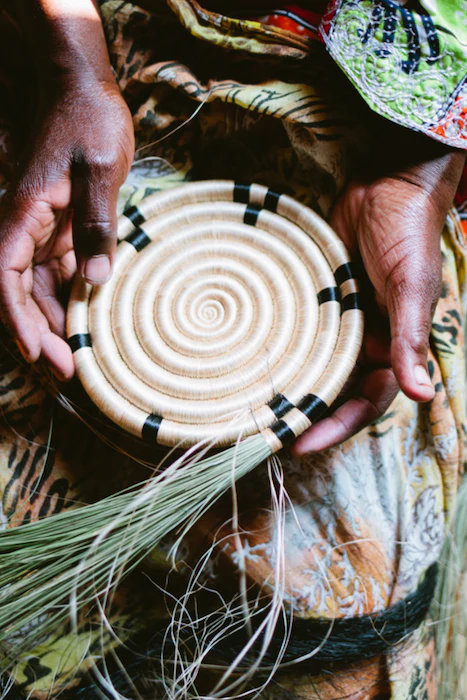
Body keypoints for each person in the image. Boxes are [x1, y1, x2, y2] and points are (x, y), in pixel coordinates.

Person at [0, 0, 466, 697]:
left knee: (345, 605)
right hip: (74, 81)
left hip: (372, 121)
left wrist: (420, 177)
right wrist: (74, 67)